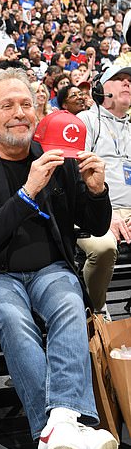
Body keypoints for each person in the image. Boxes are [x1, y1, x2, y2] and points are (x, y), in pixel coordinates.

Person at [0, 67, 118, 449]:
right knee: (13, 320)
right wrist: (26, 193)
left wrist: (97, 191)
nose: (19, 113)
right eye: (6, 105)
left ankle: (58, 425)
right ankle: (66, 427)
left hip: (49, 268)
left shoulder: (56, 157)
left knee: (67, 304)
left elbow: (94, 227)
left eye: (26, 104)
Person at [77, 66, 131, 313]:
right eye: (119, 79)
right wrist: (105, 216)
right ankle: (94, 311)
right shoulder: (86, 121)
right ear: (100, 89)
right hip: (95, 211)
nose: (127, 84)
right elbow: (74, 178)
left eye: (130, 80)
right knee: (104, 248)